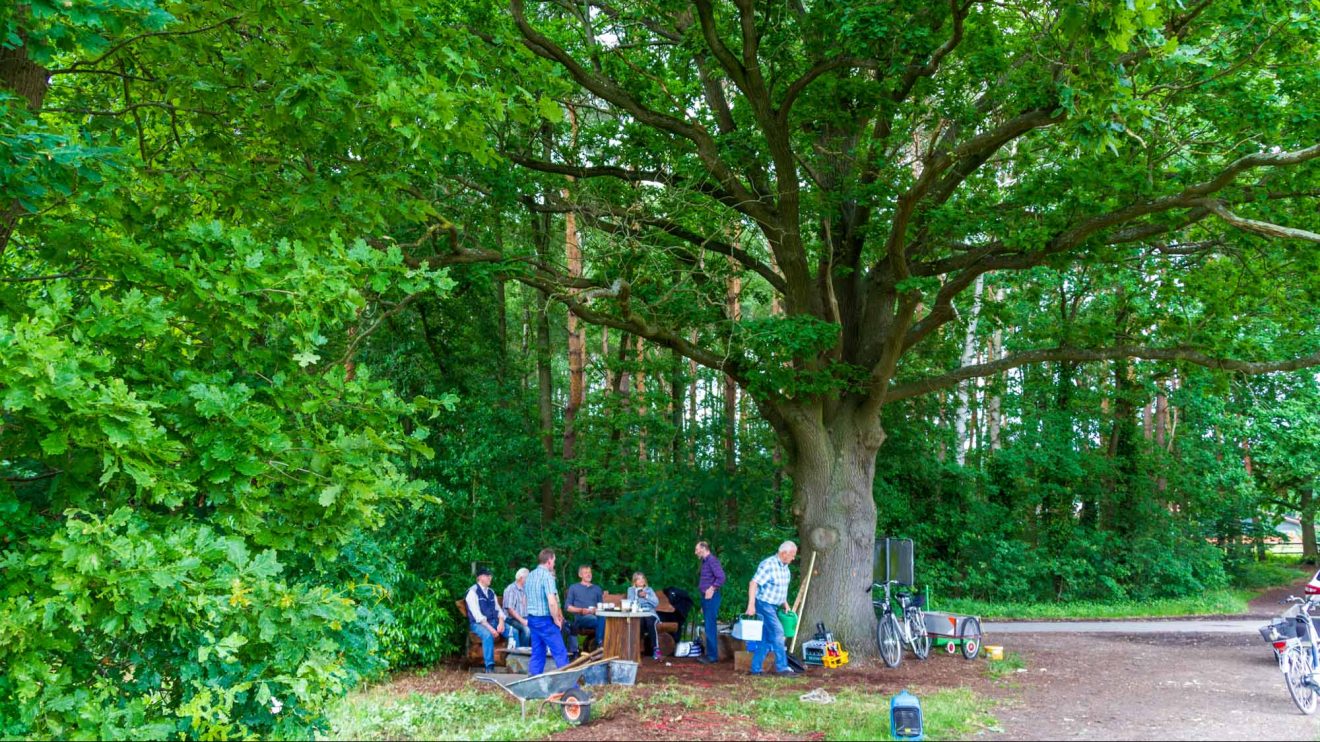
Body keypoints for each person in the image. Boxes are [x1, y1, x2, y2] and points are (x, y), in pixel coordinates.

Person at [746, 541, 800, 676]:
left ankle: (755, 669)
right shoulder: (768, 565)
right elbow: (753, 583)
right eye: (792, 555)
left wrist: (785, 603)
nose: (794, 558)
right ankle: (782, 668)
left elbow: (779, 589)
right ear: (784, 553)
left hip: (774, 606)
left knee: (766, 638)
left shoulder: (785, 568)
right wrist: (751, 605)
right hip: (764, 605)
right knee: (778, 632)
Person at [525, 548, 570, 676]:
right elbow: (551, 601)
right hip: (545, 620)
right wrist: (556, 619)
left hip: (532, 619)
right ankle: (569, 686)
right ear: (549, 560)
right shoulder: (547, 577)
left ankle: (533, 685)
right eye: (554, 561)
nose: (554, 564)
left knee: (538, 653)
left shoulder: (530, 576)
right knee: (560, 652)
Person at [464, 567, 510, 672]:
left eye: (490, 575)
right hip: (478, 624)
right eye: (487, 575)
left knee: (513, 632)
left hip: (494, 622)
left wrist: (501, 622)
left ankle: (514, 664)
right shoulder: (472, 592)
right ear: (480, 578)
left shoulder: (491, 592)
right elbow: (477, 616)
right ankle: (489, 667)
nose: (490, 577)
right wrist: (492, 629)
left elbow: (499, 610)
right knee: (487, 635)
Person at [563, 564, 606, 656]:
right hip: (581, 619)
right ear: (580, 575)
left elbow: (601, 606)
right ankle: (600, 645)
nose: (588, 574)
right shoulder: (574, 588)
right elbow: (567, 607)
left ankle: (600, 645)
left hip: (596, 616)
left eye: (590, 572)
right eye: (586, 573)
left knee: (602, 618)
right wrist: (581, 610)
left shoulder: (597, 589)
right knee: (600, 619)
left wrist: (596, 609)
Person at [695, 540, 726, 664]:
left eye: (697, 549)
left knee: (710, 626)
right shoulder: (705, 561)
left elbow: (721, 577)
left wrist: (712, 588)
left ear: (703, 548)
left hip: (712, 597)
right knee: (708, 625)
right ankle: (710, 654)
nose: (695, 552)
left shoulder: (712, 560)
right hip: (706, 598)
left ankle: (712, 656)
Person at [628, 571, 663, 660]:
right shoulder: (631, 590)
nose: (641, 580)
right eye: (639, 579)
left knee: (650, 621)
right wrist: (637, 597)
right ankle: (635, 650)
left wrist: (646, 596)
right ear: (635, 581)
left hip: (650, 613)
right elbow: (630, 603)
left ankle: (656, 649)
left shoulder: (649, 590)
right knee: (639, 622)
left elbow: (656, 603)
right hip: (638, 614)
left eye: (643, 578)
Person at [502, 567, 531, 650]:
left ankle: (535, 654)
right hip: (511, 619)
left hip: (524, 617)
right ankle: (523, 654)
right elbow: (510, 610)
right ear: (521, 578)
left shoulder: (525, 590)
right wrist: (523, 621)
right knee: (527, 630)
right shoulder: (511, 589)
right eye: (527, 578)